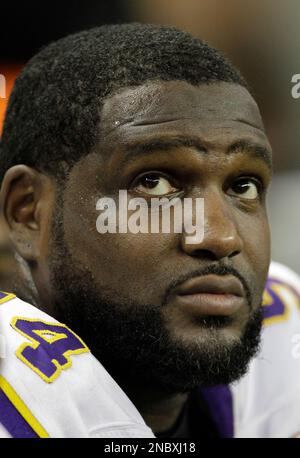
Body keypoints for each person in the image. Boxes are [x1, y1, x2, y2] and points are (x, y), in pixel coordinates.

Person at [0, 23, 299, 438]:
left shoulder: (287, 334)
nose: (219, 237)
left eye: (242, 186)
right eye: (154, 183)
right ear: (28, 211)